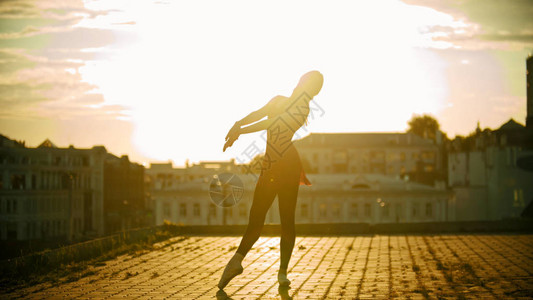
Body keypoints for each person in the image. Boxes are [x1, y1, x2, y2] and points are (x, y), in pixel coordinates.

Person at [218, 70, 324, 290]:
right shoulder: (279, 100)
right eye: (308, 85)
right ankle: (237, 261)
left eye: (312, 88)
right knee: (256, 218)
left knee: (285, 220)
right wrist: (238, 123)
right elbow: (260, 113)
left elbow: (272, 122)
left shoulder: (301, 108)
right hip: (273, 165)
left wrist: (240, 129)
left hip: (285, 166)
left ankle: (281, 272)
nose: (307, 90)